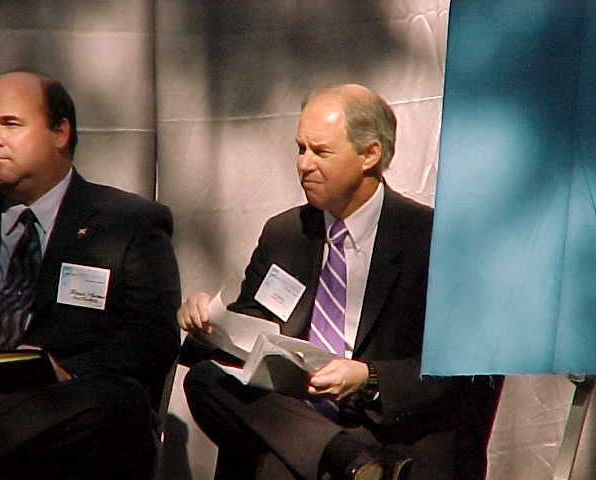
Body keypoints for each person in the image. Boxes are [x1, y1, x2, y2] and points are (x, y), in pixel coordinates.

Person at [178, 84, 500, 480]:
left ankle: (348, 459)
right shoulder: (286, 233)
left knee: (279, 462)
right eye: (300, 149)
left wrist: (368, 376)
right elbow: (250, 334)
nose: (304, 164)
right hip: (297, 416)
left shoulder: (434, 240)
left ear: (370, 154)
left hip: (383, 422)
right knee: (206, 379)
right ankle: (348, 459)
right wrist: (210, 326)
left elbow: (463, 370)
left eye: (321, 152)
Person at [0, 70, 181, 479]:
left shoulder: (128, 222)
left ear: (60, 132)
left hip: (68, 407)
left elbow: (153, 339)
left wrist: (63, 367)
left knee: (119, 405)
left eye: (10, 124)